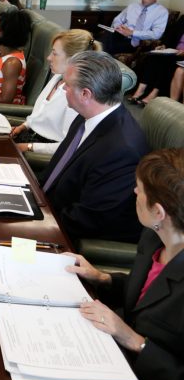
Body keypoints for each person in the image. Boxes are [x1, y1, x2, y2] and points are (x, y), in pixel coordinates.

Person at [66, 149, 184, 380]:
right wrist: (102, 277)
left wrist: (134, 340)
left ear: (159, 212)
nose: (134, 193)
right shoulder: (154, 236)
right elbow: (145, 297)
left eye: (139, 189)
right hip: (109, 354)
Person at [39, 51, 149, 242]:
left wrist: (36, 224)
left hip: (66, 235)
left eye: (68, 85)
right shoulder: (87, 116)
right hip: (48, 208)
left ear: (85, 94)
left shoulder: (122, 150)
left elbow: (87, 220)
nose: (63, 88)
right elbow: (57, 172)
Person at [11, 30, 101, 154]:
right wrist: (23, 126)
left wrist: (28, 147)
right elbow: (41, 115)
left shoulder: (76, 95)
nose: (48, 58)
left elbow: (67, 146)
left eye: (54, 54)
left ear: (73, 59)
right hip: (28, 138)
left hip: (40, 152)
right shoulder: (57, 77)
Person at [102, 0, 168, 56]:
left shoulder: (162, 12)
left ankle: (101, 59)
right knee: (105, 36)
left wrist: (132, 32)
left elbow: (156, 34)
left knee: (105, 43)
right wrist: (119, 27)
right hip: (120, 35)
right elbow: (117, 19)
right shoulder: (133, 6)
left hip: (136, 42)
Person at [127, 30, 184, 107]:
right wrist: (164, 46)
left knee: (168, 61)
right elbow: (171, 35)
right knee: (154, 56)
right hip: (174, 51)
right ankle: (140, 90)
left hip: (181, 57)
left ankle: (154, 93)